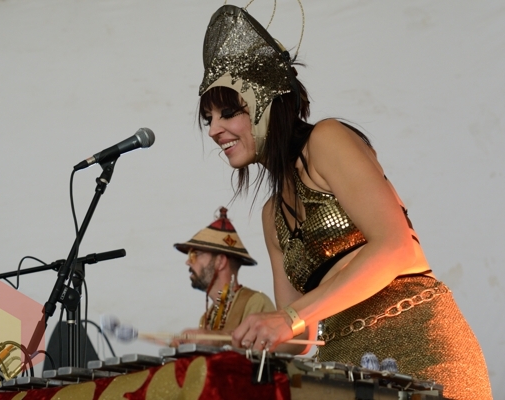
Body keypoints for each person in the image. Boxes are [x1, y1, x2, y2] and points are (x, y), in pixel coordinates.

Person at [195, 4, 492, 399]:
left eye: (228, 112)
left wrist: (288, 317)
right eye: (209, 118)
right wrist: (230, 342)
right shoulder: (272, 216)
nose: (214, 130)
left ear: (264, 101)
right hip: (346, 371)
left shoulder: (326, 139)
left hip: (418, 348)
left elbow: (397, 247)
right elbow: (298, 338)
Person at [173, 207, 275, 339]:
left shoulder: (256, 303)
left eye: (195, 254)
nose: (188, 262)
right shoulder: (207, 317)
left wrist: (210, 339)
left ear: (220, 261)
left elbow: (263, 349)